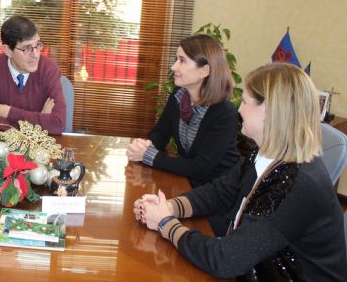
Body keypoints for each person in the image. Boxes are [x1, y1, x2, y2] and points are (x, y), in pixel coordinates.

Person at [134, 63, 347, 280]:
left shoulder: (297, 183)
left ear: (268, 111)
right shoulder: (266, 155)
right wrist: (170, 207)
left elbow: (227, 260)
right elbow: (221, 191)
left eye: (245, 101)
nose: (238, 109)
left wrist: (166, 224)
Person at [127, 34, 239, 187]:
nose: (174, 67)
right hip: (186, 184)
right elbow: (160, 134)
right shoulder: (178, 97)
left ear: (204, 71)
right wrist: (145, 146)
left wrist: (150, 156)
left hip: (216, 194)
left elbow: (200, 168)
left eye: (182, 60)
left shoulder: (225, 113)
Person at [0, 16, 66, 135]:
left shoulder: (49, 70)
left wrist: (8, 112)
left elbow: (57, 124)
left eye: (37, 45)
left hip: (40, 151)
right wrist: (37, 124)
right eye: (27, 48)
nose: (35, 55)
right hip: (3, 148)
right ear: (8, 50)